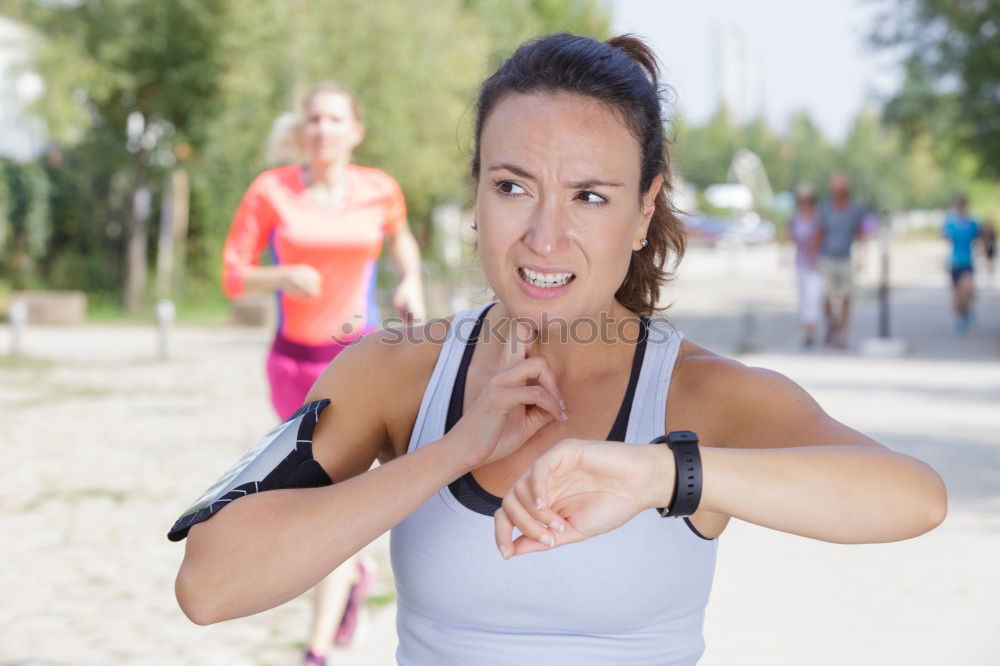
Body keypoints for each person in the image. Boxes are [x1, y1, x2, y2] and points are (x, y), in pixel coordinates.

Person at [173, 34, 946, 665]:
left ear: (644, 212)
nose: (544, 236)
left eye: (590, 197)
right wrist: (450, 450)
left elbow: (912, 497)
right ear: (475, 194)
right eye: (512, 187)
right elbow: (211, 587)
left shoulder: (700, 395)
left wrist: (657, 471)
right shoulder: (397, 370)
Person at [220, 82, 426, 665]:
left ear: (354, 130)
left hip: (354, 360)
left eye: (335, 120)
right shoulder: (271, 192)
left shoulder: (379, 190)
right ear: (302, 129)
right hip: (292, 361)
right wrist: (281, 278)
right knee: (317, 491)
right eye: (314, 119)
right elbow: (234, 274)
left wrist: (409, 278)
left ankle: (314, 651)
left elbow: (401, 239)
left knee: (322, 496)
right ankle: (356, 574)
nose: (323, 130)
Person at [817, 174, 866, 349]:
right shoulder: (826, 208)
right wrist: (816, 256)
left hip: (845, 258)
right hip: (827, 257)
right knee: (826, 297)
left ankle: (842, 334)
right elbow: (820, 232)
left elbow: (859, 232)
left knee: (847, 297)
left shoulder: (854, 209)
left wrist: (861, 255)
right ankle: (831, 323)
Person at [784, 183, 824, 347]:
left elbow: (821, 238)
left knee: (812, 298)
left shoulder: (818, 217)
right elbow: (788, 234)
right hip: (801, 262)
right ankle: (806, 330)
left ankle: (810, 332)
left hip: (816, 263)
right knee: (803, 297)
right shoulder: (796, 218)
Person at [941, 194, 980, 334]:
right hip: (954, 261)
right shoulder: (950, 222)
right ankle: (959, 320)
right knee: (956, 295)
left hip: (968, 261)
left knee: (968, 289)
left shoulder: (973, 222)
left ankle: (967, 310)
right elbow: (945, 238)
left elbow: (978, 238)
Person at [979, 218, 995, 284]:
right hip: (986, 248)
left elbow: (993, 240)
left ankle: (990, 273)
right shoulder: (983, 232)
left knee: (990, 261)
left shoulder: (991, 231)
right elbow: (981, 239)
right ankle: (988, 273)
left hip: (990, 248)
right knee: (986, 261)